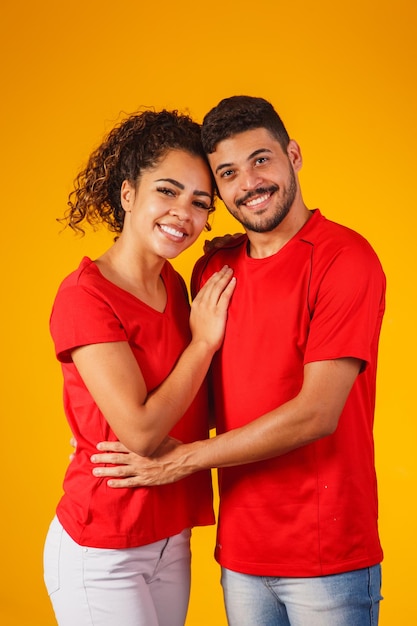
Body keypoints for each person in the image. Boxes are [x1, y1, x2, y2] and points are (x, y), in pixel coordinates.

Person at [90, 96, 386, 625]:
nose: (249, 181)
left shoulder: (345, 259)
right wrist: (102, 428)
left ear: (293, 155)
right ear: (217, 193)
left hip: (327, 557)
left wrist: (182, 459)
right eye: (228, 173)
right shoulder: (211, 272)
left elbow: (318, 412)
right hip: (242, 558)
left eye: (261, 159)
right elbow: (196, 393)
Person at [43, 108, 236, 626]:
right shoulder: (85, 296)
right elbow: (142, 434)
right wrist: (202, 344)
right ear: (128, 194)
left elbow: (195, 409)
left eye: (200, 202)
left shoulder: (176, 287)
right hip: (103, 544)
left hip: (170, 535)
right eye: (167, 191)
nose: (184, 214)